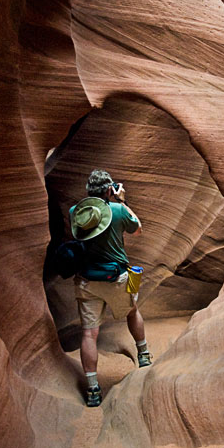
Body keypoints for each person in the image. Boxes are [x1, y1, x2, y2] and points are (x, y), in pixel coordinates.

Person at [70, 169, 152, 407]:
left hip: (87, 282)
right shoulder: (117, 211)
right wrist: (122, 200)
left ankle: (93, 389)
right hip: (117, 278)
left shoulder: (75, 212)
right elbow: (137, 228)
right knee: (132, 310)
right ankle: (144, 355)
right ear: (109, 190)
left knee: (89, 333)